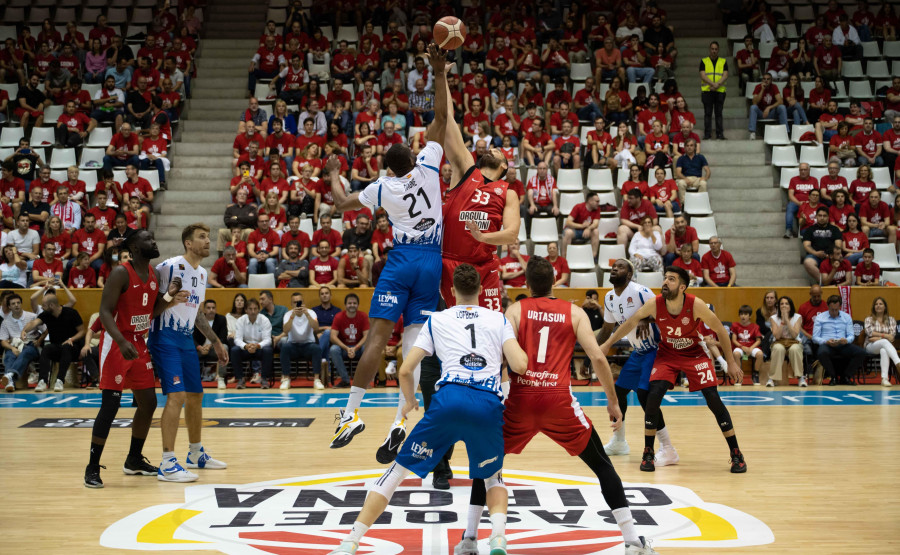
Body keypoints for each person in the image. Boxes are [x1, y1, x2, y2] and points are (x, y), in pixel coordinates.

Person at [460, 258, 659, 555]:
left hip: (521, 400)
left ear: (526, 284)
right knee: (602, 465)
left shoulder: (514, 310)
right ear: (555, 281)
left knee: (485, 464)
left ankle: (469, 539)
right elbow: (599, 358)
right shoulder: (575, 312)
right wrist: (613, 401)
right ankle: (632, 541)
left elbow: (498, 357)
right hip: (558, 400)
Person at [327, 264, 528, 555]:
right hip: (486, 403)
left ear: (452, 292)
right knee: (493, 477)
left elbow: (407, 369)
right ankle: (497, 538)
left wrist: (409, 402)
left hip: (448, 402)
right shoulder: (498, 319)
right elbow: (520, 365)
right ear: (481, 290)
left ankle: (351, 541)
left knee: (395, 474)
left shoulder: (437, 320)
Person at [323, 44, 448, 449]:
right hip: (431, 262)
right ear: (413, 157)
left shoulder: (383, 187)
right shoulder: (429, 166)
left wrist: (333, 174)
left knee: (378, 338)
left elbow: (342, 205)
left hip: (401, 259)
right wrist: (438, 71)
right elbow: (442, 119)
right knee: (414, 345)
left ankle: (349, 414)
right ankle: (399, 420)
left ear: (389, 168)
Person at [602, 266, 747, 473]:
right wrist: (608, 344)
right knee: (651, 396)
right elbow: (630, 322)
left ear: (682, 287)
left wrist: (731, 362)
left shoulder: (695, 304)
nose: (665, 282)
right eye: (665, 278)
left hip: (694, 354)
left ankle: (736, 454)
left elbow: (720, 330)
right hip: (667, 355)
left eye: (671, 279)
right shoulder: (656, 303)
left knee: (713, 398)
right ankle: (648, 452)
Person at [79, 230, 171, 487]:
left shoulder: (152, 274)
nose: (154, 241)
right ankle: (92, 467)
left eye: (154, 236)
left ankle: (133, 459)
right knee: (110, 407)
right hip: (116, 343)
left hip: (139, 345)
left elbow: (151, 313)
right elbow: (104, 312)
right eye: (148, 239)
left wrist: (169, 296)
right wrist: (120, 340)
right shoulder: (121, 272)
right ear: (135, 247)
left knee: (149, 403)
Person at [149, 223, 229, 482]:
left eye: (208, 237)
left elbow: (196, 314)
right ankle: (167, 462)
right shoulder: (168, 267)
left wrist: (216, 341)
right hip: (164, 337)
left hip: (185, 339)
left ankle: (195, 453)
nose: (208, 241)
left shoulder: (203, 273)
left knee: (195, 395)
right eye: (202, 237)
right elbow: (151, 309)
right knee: (177, 396)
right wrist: (171, 299)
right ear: (188, 243)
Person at [597, 259, 678, 464]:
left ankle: (668, 448)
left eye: (621, 266)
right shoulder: (608, 298)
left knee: (644, 396)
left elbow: (666, 312)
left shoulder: (641, 291)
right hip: (638, 352)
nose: (615, 268)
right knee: (619, 392)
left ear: (630, 274)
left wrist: (646, 318)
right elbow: (607, 329)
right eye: (614, 266)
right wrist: (592, 349)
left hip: (656, 350)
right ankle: (619, 442)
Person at [22, 288, 84, 393]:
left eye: (44, 305)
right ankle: (42, 381)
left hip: (73, 348)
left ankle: (60, 380)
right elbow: (34, 323)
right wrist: (24, 330)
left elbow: (82, 331)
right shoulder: (46, 314)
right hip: (57, 347)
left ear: (51, 305)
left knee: (66, 347)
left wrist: (71, 339)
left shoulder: (71, 313)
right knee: (47, 348)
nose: (42, 307)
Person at [813, 294, 867, 385]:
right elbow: (815, 337)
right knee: (822, 352)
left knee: (861, 352)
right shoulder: (820, 318)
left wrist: (846, 340)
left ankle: (846, 376)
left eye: (836, 310)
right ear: (828, 306)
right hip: (827, 345)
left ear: (840, 307)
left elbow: (851, 335)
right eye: (831, 310)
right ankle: (833, 377)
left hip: (843, 345)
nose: (834, 312)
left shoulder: (846, 317)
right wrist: (826, 341)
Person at [0, 293, 42, 393]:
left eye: (18, 303)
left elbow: (45, 330)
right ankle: (10, 383)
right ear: (9, 306)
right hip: (15, 346)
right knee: (9, 355)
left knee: (26, 352)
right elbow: (3, 341)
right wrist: (12, 348)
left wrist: (39, 340)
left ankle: (9, 375)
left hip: (31, 345)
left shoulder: (32, 317)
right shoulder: (5, 322)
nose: (16, 305)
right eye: (13, 303)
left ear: (21, 304)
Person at [279, 292, 321, 390]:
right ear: (291, 304)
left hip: (308, 345)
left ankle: (317, 380)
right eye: (295, 302)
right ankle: (286, 379)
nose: (297, 304)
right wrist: (292, 316)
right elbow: (285, 330)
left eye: (299, 302)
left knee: (316, 348)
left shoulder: (311, 312)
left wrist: (307, 315)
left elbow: (316, 327)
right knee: (285, 347)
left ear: (303, 302)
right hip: (293, 345)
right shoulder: (288, 314)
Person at [231, 297, 273, 388]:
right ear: (246, 310)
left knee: (268, 350)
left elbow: (268, 340)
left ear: (258, 310)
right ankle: (241, 380)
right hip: (246, 349)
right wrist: (246, 346)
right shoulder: (241, 320)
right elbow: (237, 339)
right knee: (234, 350)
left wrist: (257, 345)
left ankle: (264, 379)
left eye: (255, 309)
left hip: (259, 348)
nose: (253, 311)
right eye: (250, 309)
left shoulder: (265, 320)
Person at [329, 293, 369, 389]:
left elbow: (367, 336)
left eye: (354, 303)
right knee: (334, 349)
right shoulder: (339, 316)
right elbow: (332, 337)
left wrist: (355, 348)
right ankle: (345, 381)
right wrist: (347, 348)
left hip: (358, 348)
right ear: (345, 305)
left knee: (367, 348)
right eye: (349, 303)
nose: (352, 305)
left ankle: (362, 381)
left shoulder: (363, 316)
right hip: (344, 348)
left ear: (358, 305)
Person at [768, 295, 807, 388]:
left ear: (791, 306)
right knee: (778, 349)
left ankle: (800, 378)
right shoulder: (773, 318)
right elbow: (777, 336)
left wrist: (787, 320)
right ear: (778, 306)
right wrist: (782, 321)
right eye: (781, 304)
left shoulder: (798, 317)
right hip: (779, 341)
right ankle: (772, 379)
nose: (784, 306)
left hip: (794, 341)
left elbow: (794, 334)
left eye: (786, 304)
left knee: (795, 349)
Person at [864, 297, 899, 387]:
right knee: (884, 342)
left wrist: (878, 337)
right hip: (870, 346)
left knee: (884, 350)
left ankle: (884, 379)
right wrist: (885, 336)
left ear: (885, 307)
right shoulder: (869, 319)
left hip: (884, 345)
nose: (878, 306)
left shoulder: (891, 320)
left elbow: (892, 337)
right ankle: (898, 363)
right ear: (873, 307)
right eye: (876, 304)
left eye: (880, 304)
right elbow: (870, 334)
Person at [801, 208, 844, 282]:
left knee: (841, 259)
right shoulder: (810, 229)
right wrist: (815, 253)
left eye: (824, 216)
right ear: (816, 216)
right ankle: (823, 282)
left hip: (831, 256)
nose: (822, 218)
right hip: (815, 255)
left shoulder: (834, 229)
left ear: (828, 217)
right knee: (808, 262)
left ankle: (826, 282)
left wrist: (830, 255)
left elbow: (838, 245)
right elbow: (806, 245)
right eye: (820, 215)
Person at [311, 286, 341, 390]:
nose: (324, 295)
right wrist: (323, 330)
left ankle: (317, 357)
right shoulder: (314, 311)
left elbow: (340, 328)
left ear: (330, 295)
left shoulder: (338, 311)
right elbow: (311, 329)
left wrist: (325, 331)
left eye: (326, 293)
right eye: (322, 294)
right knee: (326, 343)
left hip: (334, 337)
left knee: (328, 333)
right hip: (317, 337)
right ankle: (327, 374)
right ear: (319, 296)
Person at [194, 300, 229, 383]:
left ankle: (221, 377)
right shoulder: (197, 319)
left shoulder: (221, 319)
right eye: (208, 308)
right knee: (186, 348)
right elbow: (192, 338)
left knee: (225, 347)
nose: (211, 310)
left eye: (213, 308)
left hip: (214, 349)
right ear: (204, 310)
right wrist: (199, 347)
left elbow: (223, 337)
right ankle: (191, 378)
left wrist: (210, 346)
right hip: (199, 349)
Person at [699, 41, 728, 140]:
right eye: (712, 49)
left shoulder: (723, 61)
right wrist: (713, 84)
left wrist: (717, 85)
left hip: (720, 91)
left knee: (719, 113)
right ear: (709, 49)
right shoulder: (704, 61)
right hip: (707, 91)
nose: (714, 51)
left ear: (718, 50)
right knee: (708, 113)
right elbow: (703, 75)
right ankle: (707, 134)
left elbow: (725, 75)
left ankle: (720, 134)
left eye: (716, 49)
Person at [730, 305, 765, 384]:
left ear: (750, 316)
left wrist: (751, 348)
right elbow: (734, 340)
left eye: (745, 314)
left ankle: (755, 374)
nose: (743, 316)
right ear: (739, 315)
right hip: (740, 346)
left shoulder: (755, 326)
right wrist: (742, 347)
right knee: (736, 354)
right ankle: (739, 375)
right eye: (741, 314)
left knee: (760, 354)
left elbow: (758, 340)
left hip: (752, 346)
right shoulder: (735, 325)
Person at [561, 192, 601, 259]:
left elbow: (596, 224)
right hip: (574, 230)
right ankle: (564, 258)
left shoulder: (597, 209)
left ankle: (593, 257)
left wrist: (588, 228)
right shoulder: (578, 207)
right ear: (590, 201)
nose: (598, 203)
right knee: (568, 232)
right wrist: (582, 226)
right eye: (597, 201)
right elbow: (568, 222)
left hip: (586, 231)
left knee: (596, 231)